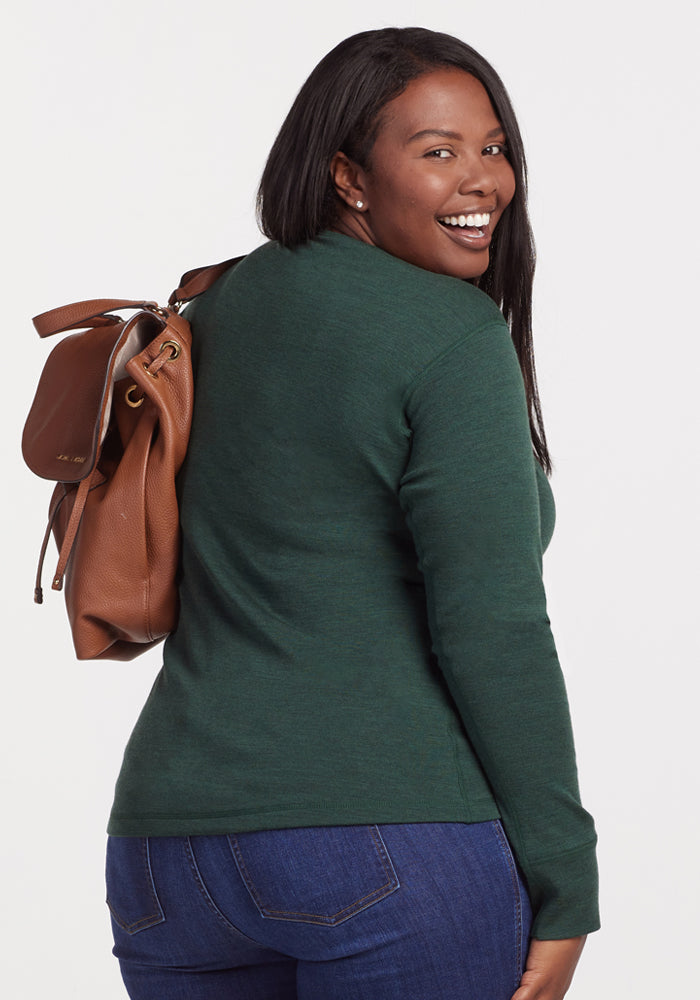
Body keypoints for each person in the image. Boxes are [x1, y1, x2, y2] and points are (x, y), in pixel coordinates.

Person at [105, 26, 599, 1000]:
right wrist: (563, 873)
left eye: (492, 147)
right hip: (385, 844)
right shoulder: (446, 335)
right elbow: (492, 625)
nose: (482, 181)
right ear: (348, 176)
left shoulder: (212, 310)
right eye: (436, 151)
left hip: (168, 860)